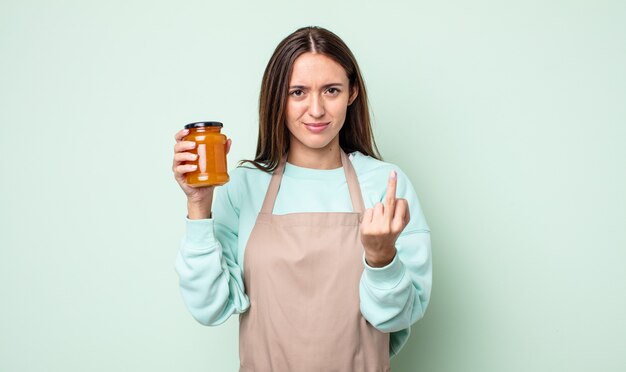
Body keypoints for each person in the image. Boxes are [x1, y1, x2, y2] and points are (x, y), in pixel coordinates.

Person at [172, 26, 432, 371]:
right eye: (297, 92)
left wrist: (380, 258)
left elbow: (395, 319)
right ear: (277, 96)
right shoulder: (246, 186)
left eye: (331, 90)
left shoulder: (385, 185)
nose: (316, 109)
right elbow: (210, 307)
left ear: (352, 93)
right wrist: (198, 206)